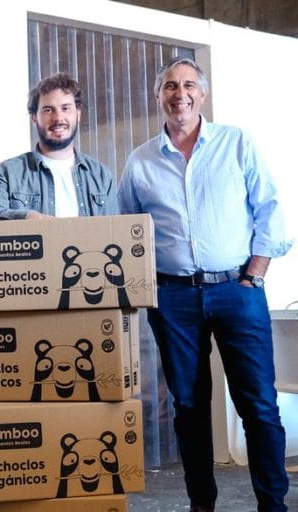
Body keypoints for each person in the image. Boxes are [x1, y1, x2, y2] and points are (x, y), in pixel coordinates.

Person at [118, 57, 291, 512]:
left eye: (189, 85)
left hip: (238, 291)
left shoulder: (236, 143)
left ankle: (273, 505)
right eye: (171, 86)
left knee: (259, 405)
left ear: (203, 94)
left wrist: (255, 273)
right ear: (158, 96)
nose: (181, 94)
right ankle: (202, 505)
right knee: (190, 407)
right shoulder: (140, 162)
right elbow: (125, 231)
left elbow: (270, 209)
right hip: (172, 297)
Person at [0, 73, 118, 221]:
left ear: (78, 114)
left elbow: (115, 230)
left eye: (65, 108)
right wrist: (28, 217)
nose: (58, 118)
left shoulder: (101, 176)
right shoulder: (9, 173)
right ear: (34, 117)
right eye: (48, 110)